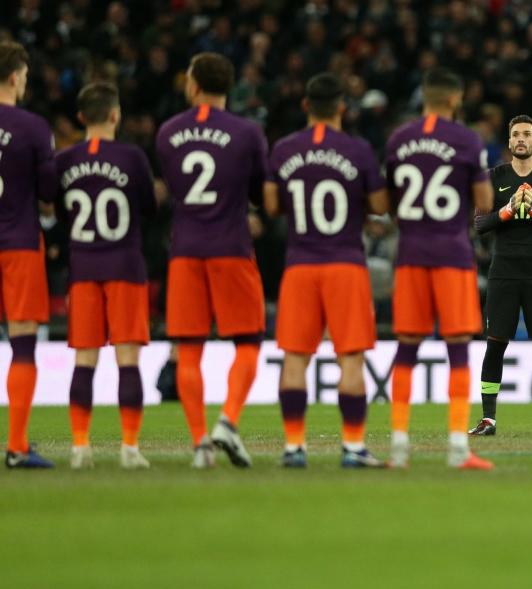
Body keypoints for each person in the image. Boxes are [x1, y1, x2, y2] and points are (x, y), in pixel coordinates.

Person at [264, 73, 389, 468]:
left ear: (305, 106)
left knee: (295, 358)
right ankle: (352, 447)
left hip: (300, 265)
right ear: (341, 108)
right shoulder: (358, 150)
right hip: (345, 264)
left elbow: (270, 207)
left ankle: (294, 447)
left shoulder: (283, 150)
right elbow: (381, 205)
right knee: (350, 359)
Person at [155, 52, 269, 468]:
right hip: (232, 246)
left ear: (194, 83)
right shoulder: (247, 133)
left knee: (188, 349)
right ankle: (228, 420)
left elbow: (173, 188)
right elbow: (259, 194)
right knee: (249, 341)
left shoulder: (167, 133)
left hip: (184, 250)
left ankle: (200, 444)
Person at [385, 68, 494, 469]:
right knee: (458, 350)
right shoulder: (466, 139)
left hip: (410, 255)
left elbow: (391, 202)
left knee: (406, 347)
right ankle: (457, 447)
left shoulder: (399, 138)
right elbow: (483, 202)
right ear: (454, 100)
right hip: (451, 255)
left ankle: (398, 443)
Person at [56, 83, 156, 469]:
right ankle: (129, 448)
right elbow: (149, 206)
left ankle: (81, 447)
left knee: (85, 360)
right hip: (125, 267)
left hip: (83, 269)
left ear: (81, 118)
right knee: (127, 359)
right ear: (116, 115)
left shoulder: (65, 161)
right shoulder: (131, 157)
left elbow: (62, 212)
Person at [469, 114, 532, 436]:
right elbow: (479, 224)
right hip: (503, 270)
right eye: (516, 134)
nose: (521, 139)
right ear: (509, 141)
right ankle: (488, 419)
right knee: (496, 342)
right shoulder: (493, 177)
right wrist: (509, 209)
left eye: (527, 134)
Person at [0, 41, 56, 468]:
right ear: (16, 76)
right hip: (18, 244)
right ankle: (17, 446)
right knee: (21, 346)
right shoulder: (34, 127)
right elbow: (50, 192)